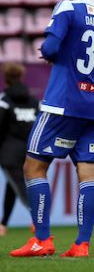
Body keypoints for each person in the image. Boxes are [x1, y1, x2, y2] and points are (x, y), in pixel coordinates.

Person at [10, 0, 94, 257]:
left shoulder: (67, 7)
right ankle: (82, 244)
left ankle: (42, 239)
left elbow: (49, 48)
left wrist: (52, 52)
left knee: (34, 166)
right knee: (88, 174)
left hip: (63, 103)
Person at [0, 63, 37, 236]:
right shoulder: (33, 101)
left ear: (6, 79)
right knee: (13, 186)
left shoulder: (4, 101)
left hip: (9, 154)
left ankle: (39, 218)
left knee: (20, 187)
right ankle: (3, 224)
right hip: (29, 151)